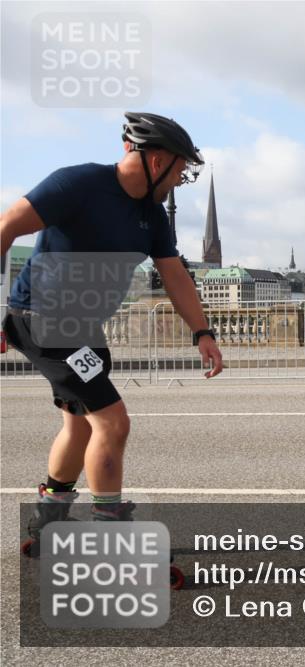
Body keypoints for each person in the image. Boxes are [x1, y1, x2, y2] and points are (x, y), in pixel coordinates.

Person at [1, 112, 223, 551]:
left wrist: (203, 332)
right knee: (113, 421)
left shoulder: (152, 216)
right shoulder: (77, 184)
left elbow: (175, 276)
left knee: (81, 425)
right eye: (180, 169)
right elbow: (4, 229)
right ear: (156, 161)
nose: (181, 179)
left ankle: (48, 518)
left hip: (83, 328)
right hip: (43, 320)